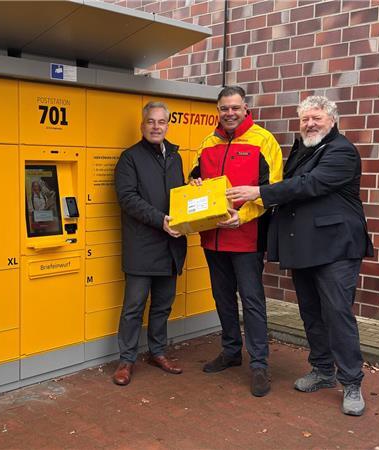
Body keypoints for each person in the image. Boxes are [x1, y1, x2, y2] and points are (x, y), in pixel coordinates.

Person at [227, 95, 374, 415]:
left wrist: (259, 193)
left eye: (316, 118)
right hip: (306, 247)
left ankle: (351, 381)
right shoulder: (304, 149)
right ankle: (322, 371)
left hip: (336, 249)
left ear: (332, 120)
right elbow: (291, 187)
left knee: (337, 314)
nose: (310, 123)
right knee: (311, 312)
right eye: (305, 118)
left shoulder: (341, 151)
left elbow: (310, 185)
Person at [188, 86, 283, 397]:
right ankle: (230, 352)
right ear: (218, 110)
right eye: (224, 108)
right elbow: (194, 178)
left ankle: (259, 364)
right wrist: (195, 182)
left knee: (252, 301)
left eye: (234, 108)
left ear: (245, 108)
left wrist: (243, 217)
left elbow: (273, 190)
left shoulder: (263, 140)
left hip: (247, 237)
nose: (229, 113)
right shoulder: (207, 142)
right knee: (222, 298)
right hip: (212, 237)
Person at [112, 101, 187, 386]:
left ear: (168, 124)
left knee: (162, 306)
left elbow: (178, 195)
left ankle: (157, 352)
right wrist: (161, 220)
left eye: (162, 122)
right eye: (151, 122)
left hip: (171, 246)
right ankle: (126, 360)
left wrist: (195, 192)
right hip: (142, 246)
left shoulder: (175, 157)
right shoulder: (129, 158)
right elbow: (128, 198)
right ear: (142, 125)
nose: (156, 127)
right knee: (134, 307)